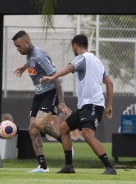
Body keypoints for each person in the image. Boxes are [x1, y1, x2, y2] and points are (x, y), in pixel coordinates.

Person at [40, 34, 116, 175]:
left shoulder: (82, 58)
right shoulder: (98, 62)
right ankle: (69, 166)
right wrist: (109, 105)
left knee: (87, 135)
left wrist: (52, 77)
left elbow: (69, 68)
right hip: (86, 106)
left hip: (92, 105)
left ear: (75, 46)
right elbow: (110, 83)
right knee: (63, 129)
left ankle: (110, 167)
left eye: (73, 48)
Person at [12, 30, 72, 173]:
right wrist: (24, 66)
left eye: (19, 46)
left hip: (50, 92)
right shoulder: (30, 54)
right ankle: (43, 167)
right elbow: (32, 62)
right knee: (32, 130)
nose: (17, 49)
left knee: (38, 124)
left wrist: (61, 102)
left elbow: (56, 77)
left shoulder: (39, 56)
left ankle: (63, 140)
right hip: (39, 94)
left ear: (27, 42)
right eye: (16, 46)